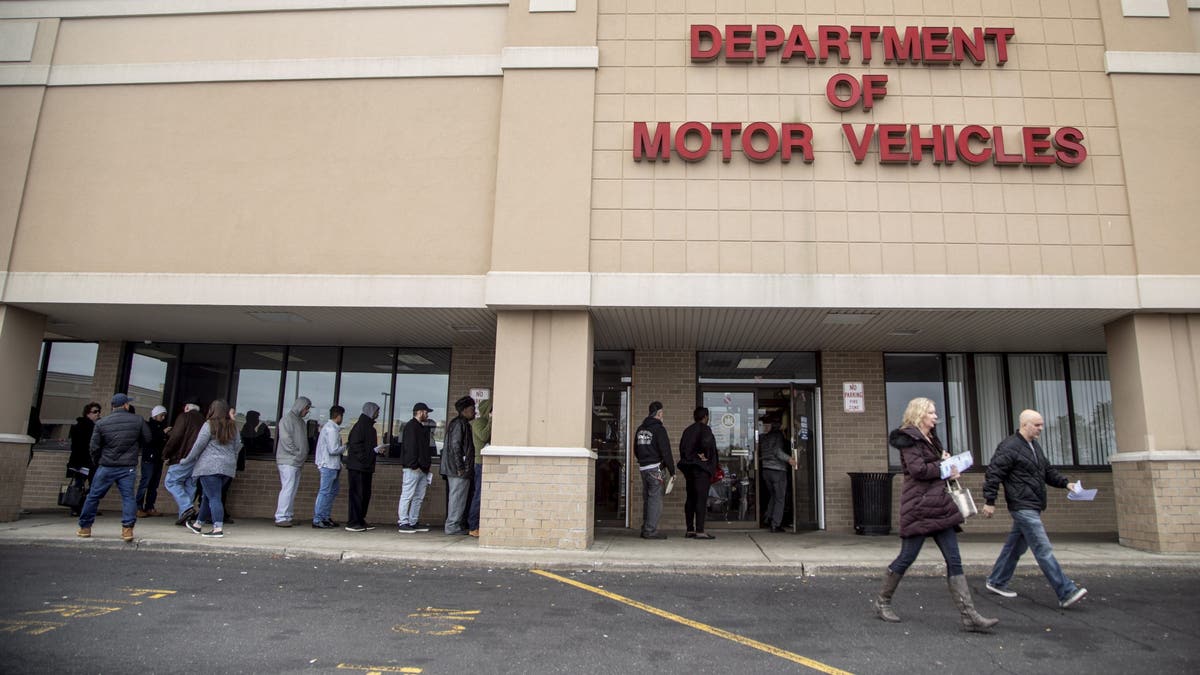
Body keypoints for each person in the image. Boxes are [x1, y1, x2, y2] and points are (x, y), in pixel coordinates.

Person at [873, 397, 998, 632]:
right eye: (931, 413)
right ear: (919, 414)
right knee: (906, 558)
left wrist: (948, 466)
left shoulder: (931, 439)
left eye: (934, 413)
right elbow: (918, 470)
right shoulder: (909, 439)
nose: (935, 416)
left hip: (940, 506)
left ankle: (969, 615)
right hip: (919, 507)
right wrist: (943, 469)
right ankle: (882, 602)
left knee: (954, 559)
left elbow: (933, 467)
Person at [982, 409, 1088, 609]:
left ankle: (996, 581)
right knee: (1043, 548)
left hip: (1033, 504)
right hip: (1022, 506)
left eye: (1042, 424)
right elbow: (993, 473)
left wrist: (1067, 484)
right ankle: (1066, 591)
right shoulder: (1009, 447)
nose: (1041, 428)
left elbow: (1047, 471)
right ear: (1025, 425)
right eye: (1037, 424)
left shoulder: (1034, 446)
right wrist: (990, 501)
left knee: (1015, 547)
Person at [76, 394, 152, 542]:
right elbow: (148, 439)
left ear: (112, 406)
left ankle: (85, 528)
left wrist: (98, 461)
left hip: (106, 465)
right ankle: (127, 530)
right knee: (128, 497)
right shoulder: (137, 420)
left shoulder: (102, 423)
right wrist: (136, 448)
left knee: (93, 496)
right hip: (128, 466)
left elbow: (94, 447)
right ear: (125, 405)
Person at [180, 400, 241, 539]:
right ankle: (198, 524)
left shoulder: (209, 425)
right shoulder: (233, 426)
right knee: (207, 496)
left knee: (214, 497)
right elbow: (238, 445)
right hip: (228, 467)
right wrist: (232, 460)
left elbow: (198, 445)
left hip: (209, 467)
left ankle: (217, 528)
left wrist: (186, 460)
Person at [635, 401, 675, 540]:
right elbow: (666, 451)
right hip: (655, 468)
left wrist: (643, 460)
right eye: (662, 413)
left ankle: (645, 528)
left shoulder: (640, 429)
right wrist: (672, 471)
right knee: (655, 500)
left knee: (648, 498)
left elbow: (636, 449)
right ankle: (650, 531)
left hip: (643, 468)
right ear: (658, 414)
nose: (663, 416)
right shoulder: (659, 429)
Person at [677, 406, 718, 540]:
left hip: (689, 469)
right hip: (701, 469)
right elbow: (707, 443)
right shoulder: (705, 429)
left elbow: (682, 449)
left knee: (691, 498)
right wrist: (705, 455)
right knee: (701, 499)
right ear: (705, 417)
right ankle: (700, 530)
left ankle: (690, 529)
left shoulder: (687, 430)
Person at [163, 403, 205, 525]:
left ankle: (187, 508)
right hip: (198, 458)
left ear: (186, 407)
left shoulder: (184, 417)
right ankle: (184, 516)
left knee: (171, 482)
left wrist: (166, 454)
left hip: (182, 456)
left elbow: (176, 436)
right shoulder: (203, 420)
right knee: (190, 485)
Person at [344, 402, 383, 532]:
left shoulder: (370, 427)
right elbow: (354, 444)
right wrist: (365, 458)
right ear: (371, 411)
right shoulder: (360, 426)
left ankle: (360, 519)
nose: (378, 414)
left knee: (365, 494)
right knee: (357, 494)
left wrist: (375, 452)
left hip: (366, 467)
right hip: (358, 467)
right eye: (376, 411)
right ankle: (353, 521)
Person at [397, 402, 434, 533]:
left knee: (418, 496)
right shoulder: (411, 427)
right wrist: (414, 465)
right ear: (419, 412)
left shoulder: (419, 427)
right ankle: (403, 522)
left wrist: (425, 466)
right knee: (407, 495)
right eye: (425, 412)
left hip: (422, 468)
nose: (427, 414)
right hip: (413, 468)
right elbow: (410, 447)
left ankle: (413, 521)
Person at [274, 396, 311, 527]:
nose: (307, 411)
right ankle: (281, 517)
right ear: (300, 406)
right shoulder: (286, 419)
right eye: (306, 408)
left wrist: (301, 455)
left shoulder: (301, 422)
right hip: (288, 460)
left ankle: (288, 516)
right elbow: (285, 439)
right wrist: (297, 452)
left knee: (292, 489)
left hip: (297, 461)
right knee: (287, 488)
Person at [441, 396, 476, 535]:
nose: (474, 412)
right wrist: (460, 467)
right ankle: (452, 526)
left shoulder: (460, 423)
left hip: (456, 468)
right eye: (473, 409)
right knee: (457, 498)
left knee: (458, 497)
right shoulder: (459, 424)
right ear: (465, 410)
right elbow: (456, 446)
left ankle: (455, 525)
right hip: (457, 470)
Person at [759, 415, 796, 533]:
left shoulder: (764, 437)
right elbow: (777, 451)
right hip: (777, 470)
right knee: (780, 498)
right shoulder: (778, 435)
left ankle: (767, 518)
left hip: (765, 470)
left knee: (773, 495)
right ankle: (776, 524)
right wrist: (789, 459)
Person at [65, 402, 102, 517]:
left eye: (98, 411)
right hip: (82, 461)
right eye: (95, 412)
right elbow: (78, 446)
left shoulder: (96, 426)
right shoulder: (81, 426)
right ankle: (76, 507)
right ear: (87, 413)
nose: (97, 414)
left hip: (92, 462)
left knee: (94, 485)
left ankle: (86, 507)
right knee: (79, 485)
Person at [312, 405, 345, 529]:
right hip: (328, 465)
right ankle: (318, 518)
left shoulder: (330, 428)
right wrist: (345, 447)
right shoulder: (331, 429)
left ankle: (325, 516)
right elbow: (333, 450)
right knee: (325, 492)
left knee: (332, 491)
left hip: (332, 465)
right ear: (338, 416)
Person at [136, 405, 170, 517]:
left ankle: (150, 506)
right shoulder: (148, 426)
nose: (163, 417)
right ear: (155, 415)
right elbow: (149, 440)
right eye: (161, 415)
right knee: (145, 482)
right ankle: (138, 507)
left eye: (164, 415)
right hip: (148, 458)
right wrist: (163, 433)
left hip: (158, 459)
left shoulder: (161, 427)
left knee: (154, 484)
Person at [467, 397, 492, 537]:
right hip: (479, 463)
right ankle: (473, 525)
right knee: (479, 494)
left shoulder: (486, 422)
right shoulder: (478, 423)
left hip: (486, 462)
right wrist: (491, 421)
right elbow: (483, 436)